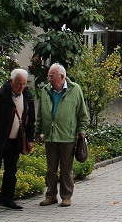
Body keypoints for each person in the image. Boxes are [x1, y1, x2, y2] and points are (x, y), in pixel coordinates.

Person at [0, 68, 35, 214]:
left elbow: (30, 121)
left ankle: (7, 198)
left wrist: (30, 139)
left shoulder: (27, 97)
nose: (21, 87)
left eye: (23, 84)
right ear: (11, 81)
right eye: (18, 84)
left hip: (15, 141)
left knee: (11, 171)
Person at [34, 63, 90, 208]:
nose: (49, 79)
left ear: (62, 77)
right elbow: (40, 114)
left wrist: (81, 131)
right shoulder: (45, 90)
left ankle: (66, 196)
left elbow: (82, 114)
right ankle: (51, 195)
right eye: (49, 77)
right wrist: (38, 131)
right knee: (51, 169)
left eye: (52, 77)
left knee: (66, 168)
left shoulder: (75, 89)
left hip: (67, 136)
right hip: (50, 136)